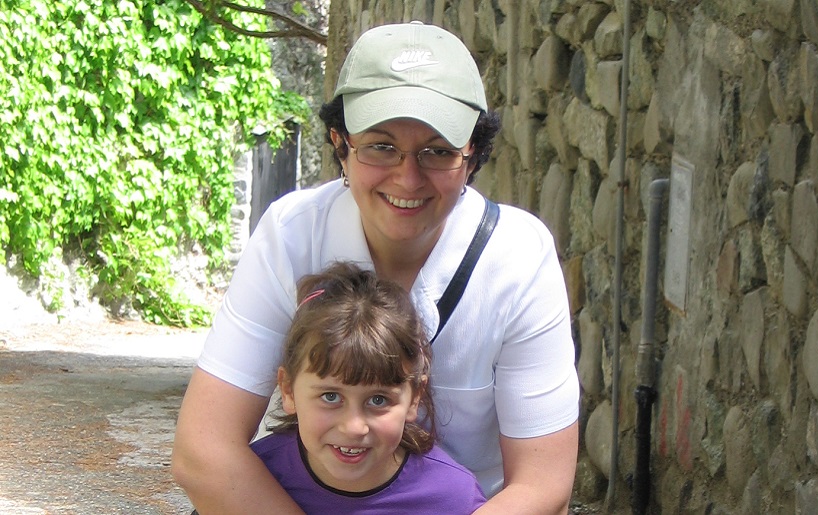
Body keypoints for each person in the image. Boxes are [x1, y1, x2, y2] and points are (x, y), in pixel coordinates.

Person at [173, 21, 580, 515]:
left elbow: (542, 486)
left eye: (438, 152)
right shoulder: (292, 234)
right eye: (381, 147)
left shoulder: (518, 258)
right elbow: (204, 451)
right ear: (340, 144)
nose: (408, 178)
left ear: (472, 157)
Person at [247, 262, 485, 513]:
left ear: (415, 397)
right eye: (330, 396)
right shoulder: (253, 478)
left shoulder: (453, 499)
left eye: (378, 400)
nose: (354, 428)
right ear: (288, 390)